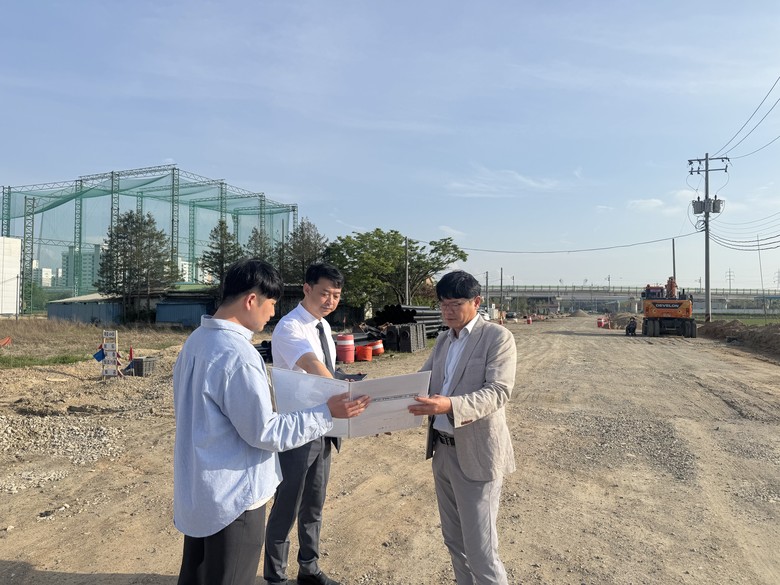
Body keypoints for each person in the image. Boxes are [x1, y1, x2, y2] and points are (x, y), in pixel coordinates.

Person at [173, 258, 369, 585]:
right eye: (272, 304)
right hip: (234, 498)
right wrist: (327, 413)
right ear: (252, 300)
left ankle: (307, 567)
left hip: (203, 492)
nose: (272, 313)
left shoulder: (196, 341)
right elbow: (265, 431)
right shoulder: (238, 354)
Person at [409, 270, 517, 585]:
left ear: (476, 302)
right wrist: (384, 409)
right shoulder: (444, 340)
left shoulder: (497, 338)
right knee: (454, 542)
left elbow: (498, 391)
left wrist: (450, 405)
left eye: (455, 304)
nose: (448, 311)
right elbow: (421, 382)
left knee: (481, 551)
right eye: (443, 305)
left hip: (476, 455)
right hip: (442, 452)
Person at [264, 263, 347, 585]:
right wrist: (345, 395)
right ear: (307, 289)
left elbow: (329, 368)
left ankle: (309, 568)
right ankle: (276, 577)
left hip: (324, 426)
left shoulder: (322, 326)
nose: (330, 301)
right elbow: (313, 366)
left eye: (336, 295)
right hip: (297, 430)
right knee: (288, 504)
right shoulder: (290, 327)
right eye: (324, 293)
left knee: (314, 505)